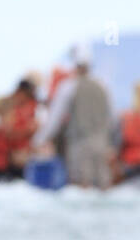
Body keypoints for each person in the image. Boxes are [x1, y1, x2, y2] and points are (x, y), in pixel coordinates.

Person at [32, 43, 113, 189]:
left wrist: (38, 140)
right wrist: (111, 144)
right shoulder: (103, 86)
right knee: (102, 186)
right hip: (101, 145)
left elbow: (54, 120)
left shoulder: (69, 87)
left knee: (80, 185)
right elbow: (111, 118)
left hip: (79, 145)